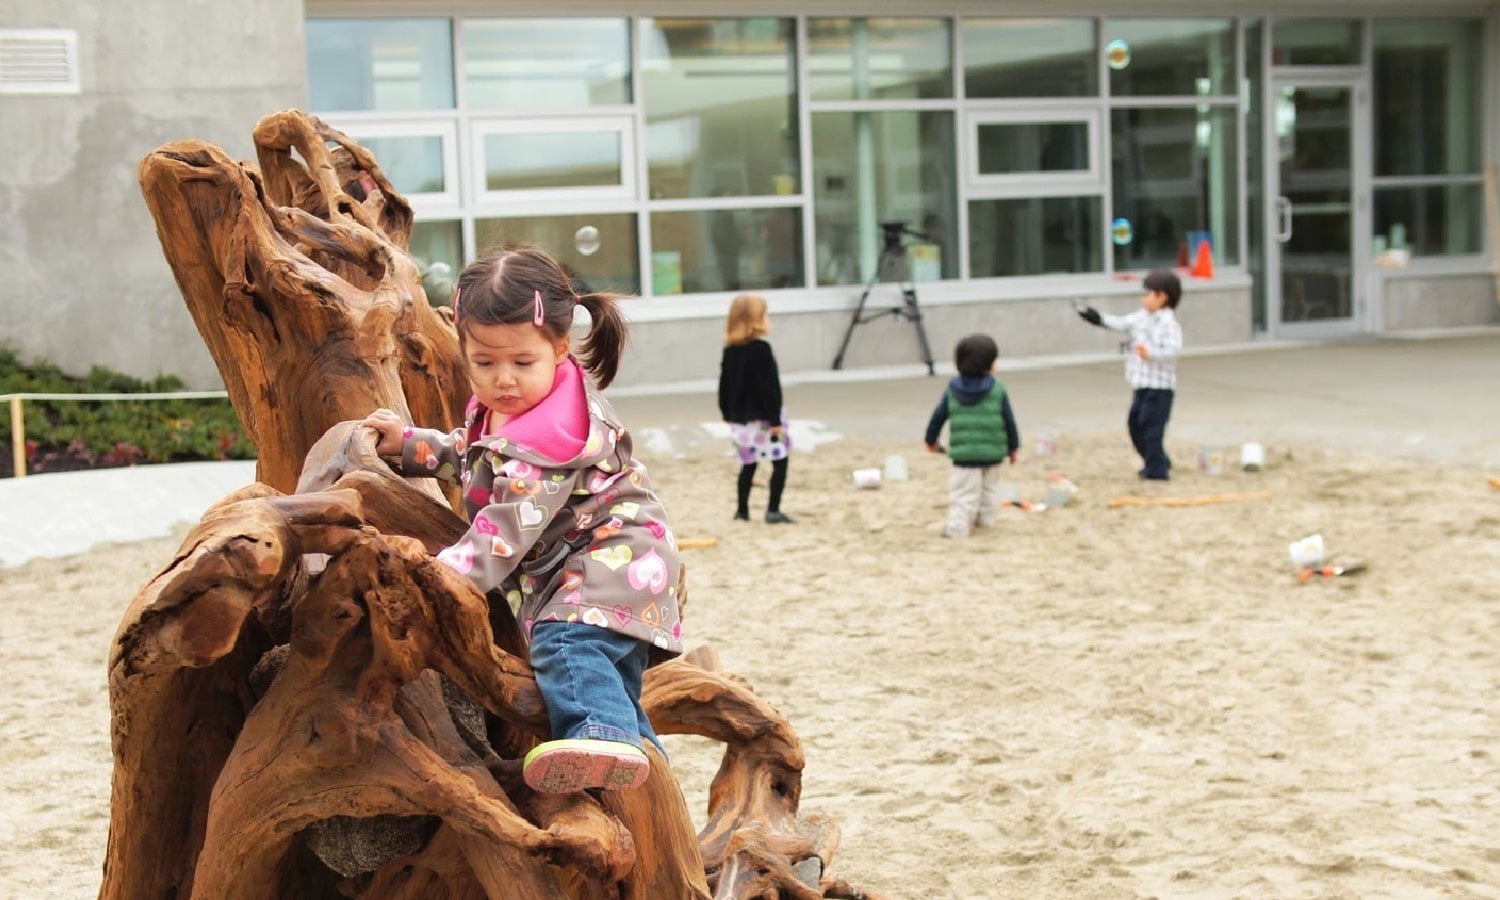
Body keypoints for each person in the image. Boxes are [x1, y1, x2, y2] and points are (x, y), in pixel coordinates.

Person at [362, 243, 683, 794]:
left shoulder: (549, 439)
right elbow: (473, 456)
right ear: (461, 347)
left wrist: (438, 576)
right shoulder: (522, 409)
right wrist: (411, 446)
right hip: (616, 560)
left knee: (565, 647)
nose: (503, 379)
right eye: (484, 363)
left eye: (520, 362)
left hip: (611, 562)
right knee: (611, 683)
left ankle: (602, 740)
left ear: (560, 347)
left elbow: (503, 533)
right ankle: (646, 769)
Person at [1076, 268, 1184, 480]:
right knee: (1135, 425)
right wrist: (1095, 317)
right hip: (1140, 383)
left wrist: (1151, 354)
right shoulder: (1141, 317)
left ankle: (1157, 472)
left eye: (1147, 293)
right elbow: (1120, 323)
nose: (1143, 298)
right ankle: (1157, 460)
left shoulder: (1169, 323)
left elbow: (1174, 350)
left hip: (1160, 388)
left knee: (1152, 429)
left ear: (1162, 297)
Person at [924, 334, 1021, 539]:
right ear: (989, 365)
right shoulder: (998, 389)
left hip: (965, 456)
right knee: (989, 491)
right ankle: (986, 523)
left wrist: (931, 440)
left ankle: (958, 529)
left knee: (964, 494)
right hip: (993, 453)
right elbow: (1008, 420)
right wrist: (1013, 447)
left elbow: (938, 416)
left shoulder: (952, 389)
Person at [718, 293, 794, 524]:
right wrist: (775, 421)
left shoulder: (731, 350)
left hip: (741, 421)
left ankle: (742, 511)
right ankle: (773, 510)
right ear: (758, 319)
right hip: (766, 420)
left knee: (748, 464)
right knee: (780, 461)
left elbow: (724, 385)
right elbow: (769, 388)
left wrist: (727, 413)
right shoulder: (761, 349)